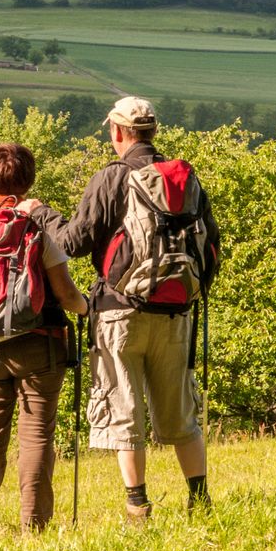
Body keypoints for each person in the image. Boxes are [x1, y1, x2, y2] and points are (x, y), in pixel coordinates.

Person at [22, 97, 219, 520]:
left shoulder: (112, 177)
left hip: (119, 312)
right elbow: (213, 248)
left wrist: (41, 213)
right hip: (176, 310)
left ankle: (138, 505)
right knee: (180, 408)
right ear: (152, 132)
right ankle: (199, 500)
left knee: (124, 406)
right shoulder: (184, 178)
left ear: (117, 132)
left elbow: (73, 243)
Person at [0, 143, 88, 532]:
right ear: (29, 180)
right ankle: (35, 527)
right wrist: (91, 307)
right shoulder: (38, 232)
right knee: (36, 436)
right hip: (38, 345)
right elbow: (68, 297)